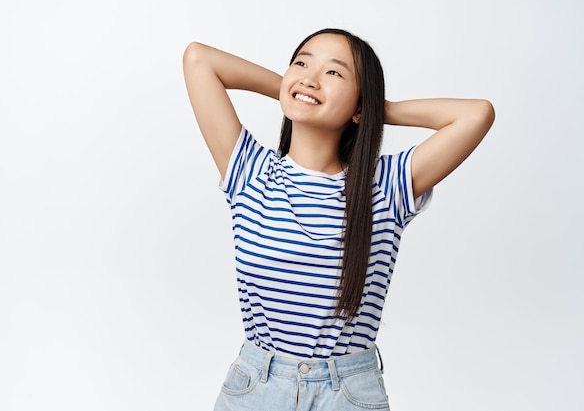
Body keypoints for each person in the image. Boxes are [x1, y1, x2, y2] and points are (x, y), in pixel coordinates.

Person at [183, 28, 494, 411]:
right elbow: (199, 59)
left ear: (360, 107)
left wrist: (380, 109)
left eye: (334, 73)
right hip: (257, 388)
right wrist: (295, 88)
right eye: (301, 62)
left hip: (345, 393)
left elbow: (477, 114)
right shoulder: (250, 171)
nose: (310, 76)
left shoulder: (384, 186)